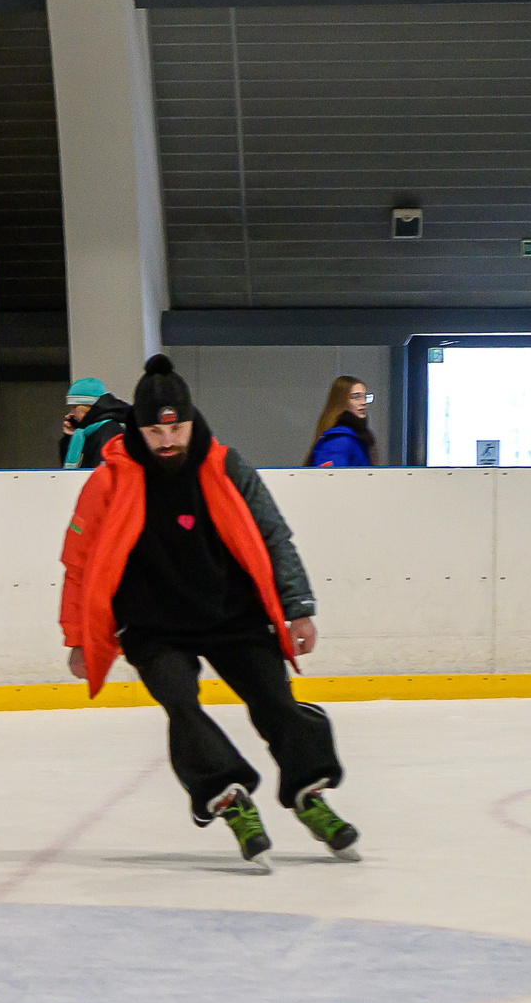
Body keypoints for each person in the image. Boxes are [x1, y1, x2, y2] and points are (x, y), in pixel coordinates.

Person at [58, 354, 360, 872]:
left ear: (192, 421)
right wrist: (79, 637)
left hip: (232, 615)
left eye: (176, 428)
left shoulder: (225, 466)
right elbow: (78, 562)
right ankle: (227, 797)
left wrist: (298, 607)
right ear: (139, 428)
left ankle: (310, 793)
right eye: (155, 431)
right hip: (153, 626)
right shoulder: (109, 480)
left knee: (276, 703)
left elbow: (273, 535)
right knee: (183, 707)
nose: (167, 441)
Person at [59, 376, 131, 470]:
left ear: (87, 406)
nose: (71, 413)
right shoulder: (90, 431)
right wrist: (69, 439)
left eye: (74, 407)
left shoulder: (108, 432)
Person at [306, 376, 379, 468]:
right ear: (341, 401)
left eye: (365, 397)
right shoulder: (339, 441)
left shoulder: (355, 437)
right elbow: (329, 479)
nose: (363, 402)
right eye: (356, 397)